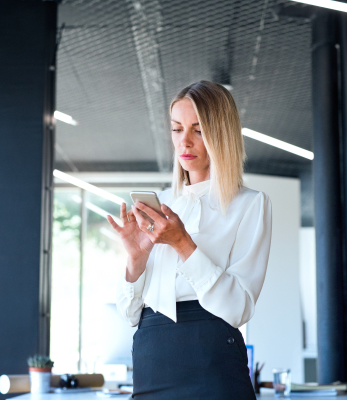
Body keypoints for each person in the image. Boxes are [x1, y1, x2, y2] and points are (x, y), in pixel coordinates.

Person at [107, 80, 272, 399]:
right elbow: (129, 314)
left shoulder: (250, 204)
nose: (185, 141)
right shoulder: (162, 203)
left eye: (198, 129)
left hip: (212, 358)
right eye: (176, 128)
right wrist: (136, 258)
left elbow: (238, 309)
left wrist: (183, 243)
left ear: (221, 133)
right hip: (151, 357)